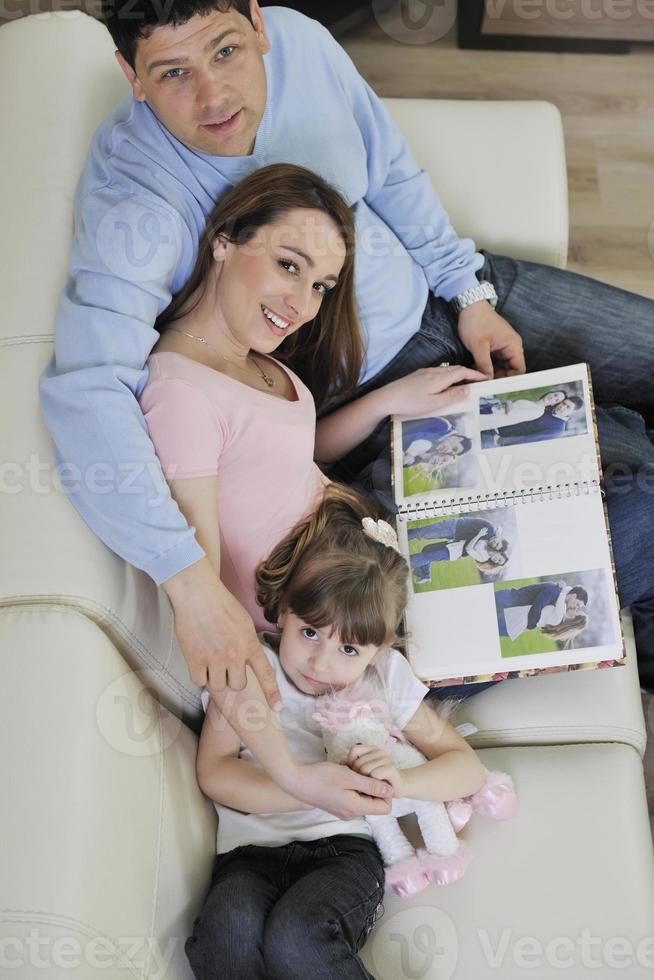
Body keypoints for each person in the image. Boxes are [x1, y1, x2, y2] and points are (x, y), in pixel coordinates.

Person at [39, 0, 654, 691]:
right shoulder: (135, 199)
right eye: (173, 71)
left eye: (226, 51)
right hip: (356, 395)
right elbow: (88, 389)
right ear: (131, 74)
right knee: (636, 470)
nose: (214, 96)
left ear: (259, 24)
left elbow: (389, 169)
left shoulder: (303, 44)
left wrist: (469, 295)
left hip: (442, 296)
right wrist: (188, 581)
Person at [139, 161, 484, 809]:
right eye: (288, 265)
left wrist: (392, 400)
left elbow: (293, 454)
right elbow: (209, 598)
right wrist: (292, 775)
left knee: (585, 442)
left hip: (370, 527)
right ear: (224, 240)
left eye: (321, 283)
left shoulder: (253, 357)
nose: (302, 306)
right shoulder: (180, 392)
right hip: (349, 614)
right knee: (630, 508)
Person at [185, 486, 485, 979]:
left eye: (349, 650)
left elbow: (466, 766)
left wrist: (401, 783)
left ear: (378, 650)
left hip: (345, 852)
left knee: (298, 936)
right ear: (282, 611)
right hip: (250, 851)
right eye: (309, 633)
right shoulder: (251, 667)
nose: (321, 663)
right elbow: (216, 772)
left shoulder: (384, 676)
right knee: (228, 933)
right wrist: (304, 788)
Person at [408, 516, 508, 583]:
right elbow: (471, 543)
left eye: (498, 562)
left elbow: (469, 547)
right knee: (423, 539)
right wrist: (464, 554)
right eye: (497, 543)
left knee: (427, 552)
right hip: (454, 528)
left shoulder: (486, 553)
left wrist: (464, 554)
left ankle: (406, 564)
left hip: (454, 546)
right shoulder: (490, 531)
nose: (495, 545)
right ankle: (424, 574)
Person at [495, 582, 588, 644]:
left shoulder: (559, 599)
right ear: (573, 596)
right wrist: (530, 625)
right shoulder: (554, 591)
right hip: (506, 602)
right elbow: (534, 613)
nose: (575, 608)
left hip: (512, 617)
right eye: (577, 604)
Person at [482, 396, 584, 448]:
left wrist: (500, 441)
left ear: (573, 412)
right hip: (494, 422)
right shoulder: (548, 408)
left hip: (495, 437)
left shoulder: (557, 429)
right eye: (564, 403)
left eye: (568, 407)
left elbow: (529, 440)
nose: (562, 407)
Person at [479, 388, 567, 429]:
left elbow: (512, 414)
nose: (552, 398)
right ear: (551, 392)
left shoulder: (538, 411)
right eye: (555, 395)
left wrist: (508, 402)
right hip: (491, 411)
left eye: (556, 400)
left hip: (491, 418)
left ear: (553, 404)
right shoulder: (535, 403)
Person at [402, 418, 472, 468]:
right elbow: (409, 429)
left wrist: (411, 460)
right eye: (454, 448)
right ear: (459, 438)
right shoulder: (443, 426)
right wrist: (408, 453)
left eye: (451, 452)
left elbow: (416, 458)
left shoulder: (439, 445)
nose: (448, 451)